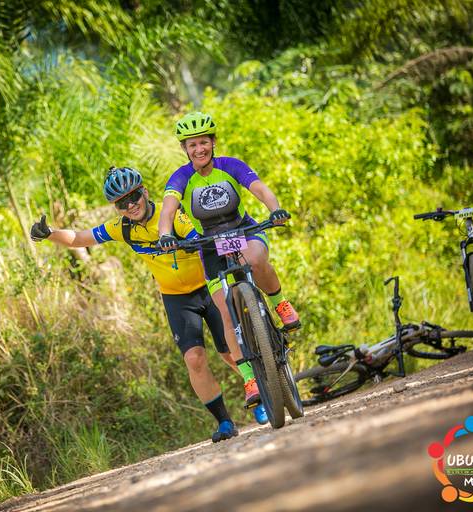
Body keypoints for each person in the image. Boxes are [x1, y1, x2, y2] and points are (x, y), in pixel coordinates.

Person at [30, 166, 267, 442]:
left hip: (208, 286)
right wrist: (49, 233)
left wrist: (186, 243)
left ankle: (264, 390)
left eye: (134, 197)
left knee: (228, 351)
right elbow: (80, 238)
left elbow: (199, 237)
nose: (130, 205)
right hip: (176, 298)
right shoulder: (122, 228)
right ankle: (224, 421)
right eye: (122, 203)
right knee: (194, 359)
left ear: (144, 192)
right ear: (116, 208)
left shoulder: (171, 213)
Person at [157, 111, 300, 410]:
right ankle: (249, 377)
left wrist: (275, 209)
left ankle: (280, 304)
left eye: (203, 142)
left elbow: (259, 189)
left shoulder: (230, 165)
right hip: (210, 243)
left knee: (256, 259)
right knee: (223, 309)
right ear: (185, 149)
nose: (199, 149)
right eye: (192, 145)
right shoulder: (181, 177)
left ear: (213, 142)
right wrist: (165, 234)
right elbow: (168, 209)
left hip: (243, 230)